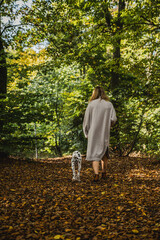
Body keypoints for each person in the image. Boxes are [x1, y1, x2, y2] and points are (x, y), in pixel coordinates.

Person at [83, 86, 117, 182]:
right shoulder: (109, 105)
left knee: (94, 154)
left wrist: (86, 133)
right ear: (103, 93)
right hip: (104, 132)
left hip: (93, 133)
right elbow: (114, 119)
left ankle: (96, 175)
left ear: (94, 93)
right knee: (104, 154)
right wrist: (109, 125)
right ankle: (104, 173)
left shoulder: (91, 105)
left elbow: (86, 121)